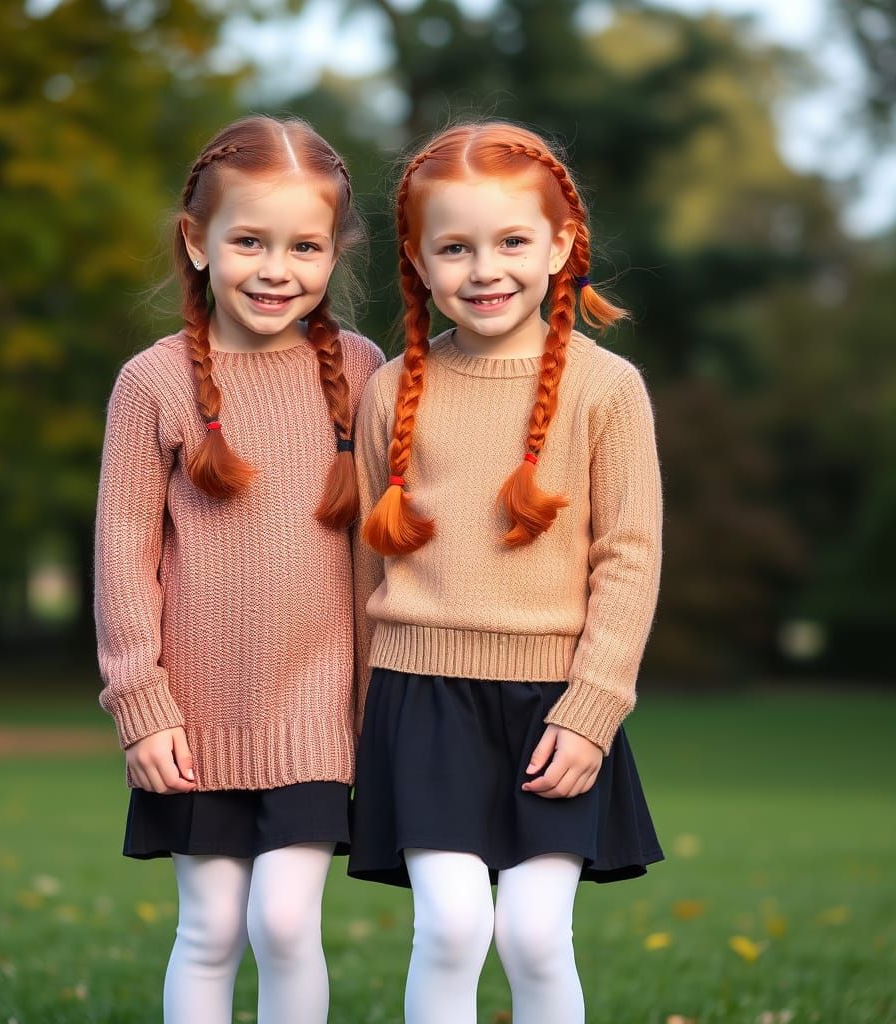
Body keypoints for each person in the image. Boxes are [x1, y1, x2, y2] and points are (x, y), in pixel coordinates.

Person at [348, 121, 664, 1024]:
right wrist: (363, 709)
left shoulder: (608, 391)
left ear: (561, 244)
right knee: (449, 928)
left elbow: (628, 557)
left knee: (532, 935)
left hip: (553, 705)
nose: (485, 269)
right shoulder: (391, 391)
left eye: (513, 242)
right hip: (423, 700)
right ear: (418, 258)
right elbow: (367, 561)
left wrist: (593, 710)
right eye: (455, 247)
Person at [94, 114, 383, 1024]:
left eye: (305, 246)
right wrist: (141, 705)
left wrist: (378, 706)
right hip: (194, 716)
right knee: (210, 927)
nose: (275, 268)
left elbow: (380, 553)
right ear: (197, 240)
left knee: (287, 921)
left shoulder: (364, 372)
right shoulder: (153, 382)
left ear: (334, 252)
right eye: (249, 240)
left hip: (316, 711)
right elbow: (121, 551)